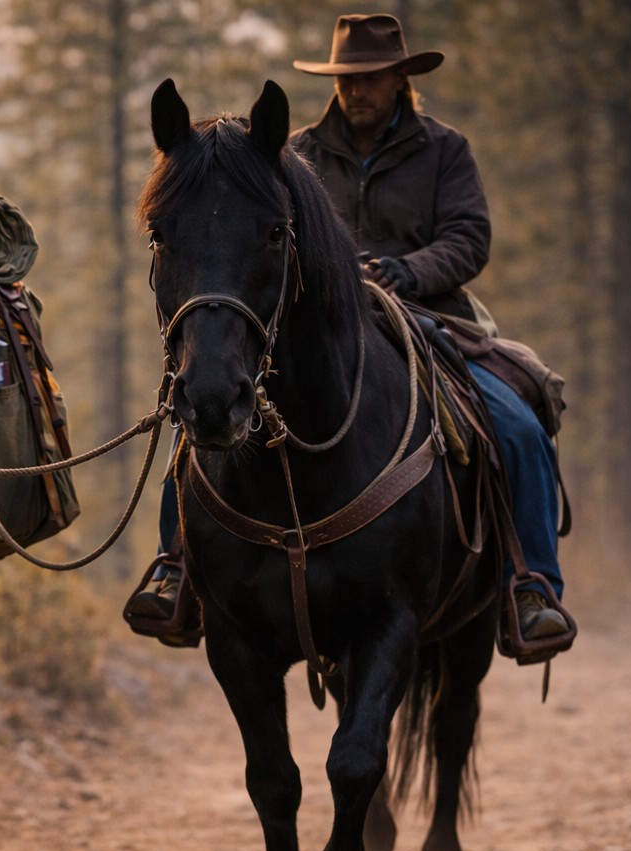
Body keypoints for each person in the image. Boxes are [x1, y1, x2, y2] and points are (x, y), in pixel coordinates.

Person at [124, 12, 570, 646]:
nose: (358, 89)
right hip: (320, 324)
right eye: (347, 78)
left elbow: (470, 240)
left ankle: (530, 584)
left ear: (399, 79)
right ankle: (176, 570)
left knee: (518, 424)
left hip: (432, 313)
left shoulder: (445, 150)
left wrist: (404, 273)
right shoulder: (288, 153)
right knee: (194, 415)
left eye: (372, 77)